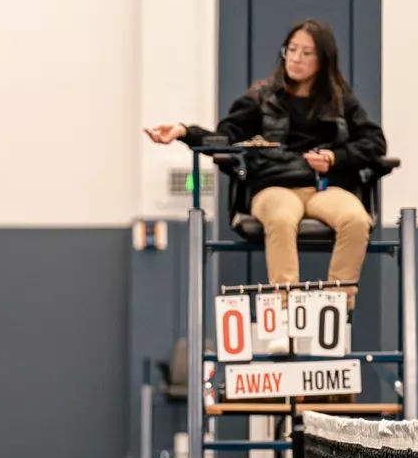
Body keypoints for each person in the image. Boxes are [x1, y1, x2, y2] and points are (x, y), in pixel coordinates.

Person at [146, 19, 388, 306]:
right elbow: (223, 139)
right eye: (292, 49)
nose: (296, 58)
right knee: (282, 219)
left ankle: (336, 307)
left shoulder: (341, 102)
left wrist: (334, 158)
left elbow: (374, 143)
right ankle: (288, 309)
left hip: (323, 189)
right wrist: (185, 132)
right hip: (273, 187)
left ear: (323, 60)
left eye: (306, 53)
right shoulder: (260, 98)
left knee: (356, 220)